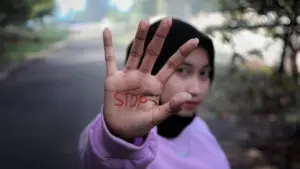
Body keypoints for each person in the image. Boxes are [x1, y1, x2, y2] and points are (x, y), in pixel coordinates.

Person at [78, 17, 231, 169]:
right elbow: (107, 159)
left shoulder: (198, 127)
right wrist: (119, 138)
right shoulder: (114, 135)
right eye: (182, 70)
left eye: (204, 73)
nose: (196, 90)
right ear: (151, 69)